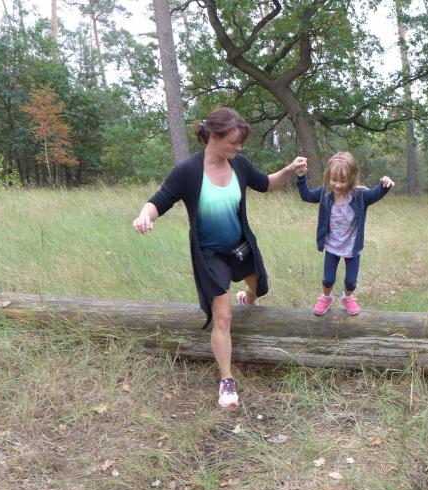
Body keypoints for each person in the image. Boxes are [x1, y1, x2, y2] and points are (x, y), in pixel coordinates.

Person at [132, 107, 307, 409]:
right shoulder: (188, 171)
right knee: (222, 317)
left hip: (240, 246)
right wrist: (144, 216)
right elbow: (158, 201)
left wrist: (289, 169)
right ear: (214, 137)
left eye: (240, 143)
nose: (238, 148)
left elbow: (266, 184)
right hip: (210, 255)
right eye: (233, 142)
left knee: (260, 288)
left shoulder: (239, 165)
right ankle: (227, 379)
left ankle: (247, 297)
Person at [296, 151, 394, 316]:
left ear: (352, 178)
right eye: (334, 180)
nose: (337, 185)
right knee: (328, 279)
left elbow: (375, 193)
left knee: (351, 282)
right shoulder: (325, 194)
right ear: (328, 177)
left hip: (352, 247)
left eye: (343, 181)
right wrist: (300, 177)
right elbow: (306, 195)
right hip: (332, 246)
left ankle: (347, 297)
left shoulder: (359, 196)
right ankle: (326, 297)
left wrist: (385, 185)